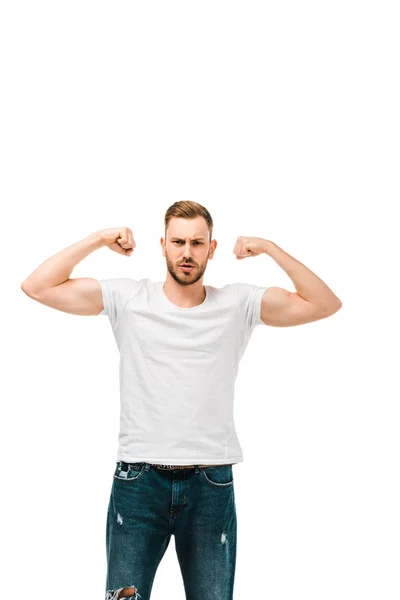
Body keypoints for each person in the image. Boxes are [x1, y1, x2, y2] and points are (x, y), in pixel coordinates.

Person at [21, 200, 342, 600]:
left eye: (196, 242)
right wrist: (99, 239)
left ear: (211, 248)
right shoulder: (129, 298)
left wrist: (271, 248)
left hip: (210, 482)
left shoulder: (238, 304)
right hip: (138, 482)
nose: (186, 252)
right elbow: (37, 287)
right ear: (163, 245)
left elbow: (324, 304)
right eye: (178, 242)